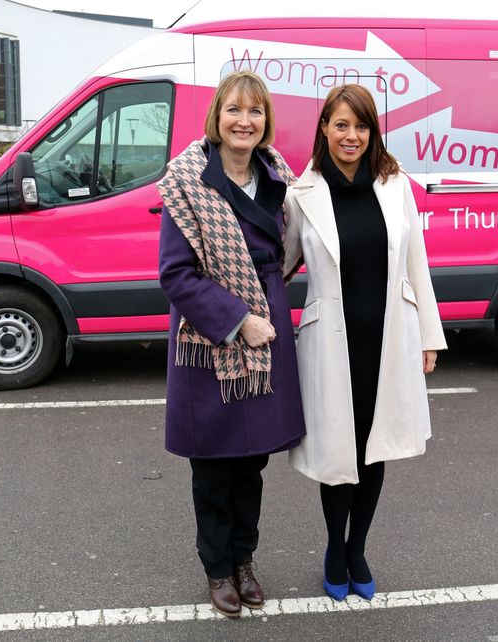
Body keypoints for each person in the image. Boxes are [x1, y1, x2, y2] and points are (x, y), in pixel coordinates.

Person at [283, 84, 447, 601]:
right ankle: (335, 546)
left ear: (373, 131)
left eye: (362, 126)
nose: (351, 135)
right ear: (324, 130)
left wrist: (429, 335)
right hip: (331, 345)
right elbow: (279, 266)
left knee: (374, 448)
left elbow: (416, 262)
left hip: (387, 337)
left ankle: (359, 550)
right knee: (339, 450)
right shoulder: (300, 192)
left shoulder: (395, 185)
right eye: (341, 125)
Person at [157, 70, 305, 618]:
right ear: (216, 117)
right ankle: (218, 568)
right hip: (211, 334)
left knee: (252, 462)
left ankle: (245, 560)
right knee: (214, 463)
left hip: (269, 324)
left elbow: (293, 249)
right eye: (234, 110)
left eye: (256, 111)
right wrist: (240, 319)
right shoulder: (187, 182)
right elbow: (175, 274)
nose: (245, 121)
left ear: (266, 122)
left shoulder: (279, 179)